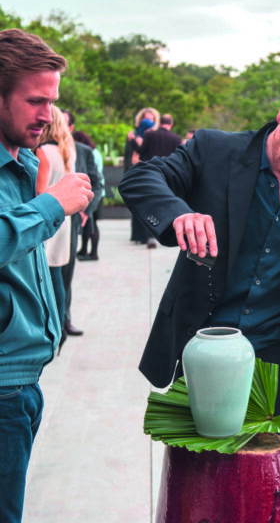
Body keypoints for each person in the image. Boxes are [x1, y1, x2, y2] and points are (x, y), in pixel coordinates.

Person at [119, 74, 280, 463]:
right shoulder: (213, 149)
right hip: (200, 352)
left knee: (271, 489)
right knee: (195, 484)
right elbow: (140, 178)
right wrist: (179, 214)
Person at [0, 28, 94, 522]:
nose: (47, 115)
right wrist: (51, 206)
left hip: (23, 384)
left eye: (52, 102)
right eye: (35, 101)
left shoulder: (20, 161)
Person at [34, 106, 77, 350]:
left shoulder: (43, 151)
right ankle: (60, 326)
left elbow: (41, 192)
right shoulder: (66, 150)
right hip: (64, 218)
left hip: (47, 217)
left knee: (47, 274)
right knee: (57, 274)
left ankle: (53, 329)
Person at [60, 110, 104, 337]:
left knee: (66, 273)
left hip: (73, 222)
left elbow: (97, 184)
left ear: (71, 128)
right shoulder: (39, 150)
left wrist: (86, 210)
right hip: (48, 222)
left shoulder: (83, 152)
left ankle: (65, 320)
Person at [135, 114, 182, 248]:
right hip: (168, 175)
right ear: (171, 124)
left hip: (150, 174)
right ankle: (168, 234)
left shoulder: (150, 135)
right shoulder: (176, 139)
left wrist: (132, 140)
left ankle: (150, 236)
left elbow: (140, 151)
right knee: (168, 205)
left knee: (149, 205)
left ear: (159, 122)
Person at [125, 107, 159, 244]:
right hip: (140, 173)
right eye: (146, 119)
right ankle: (140, 235)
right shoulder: (136, 136)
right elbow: (131, 157)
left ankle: (145, 235)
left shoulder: (154, 135)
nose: (149, 121)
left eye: (151, 119)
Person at [72, 130, 105, 261]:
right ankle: (85, 250)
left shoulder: (89, 153)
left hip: (95, 194)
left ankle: (93, 253)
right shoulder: (92, 151)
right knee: (88, 224)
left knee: (92, 224)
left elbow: (95, 176)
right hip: (93, 193)